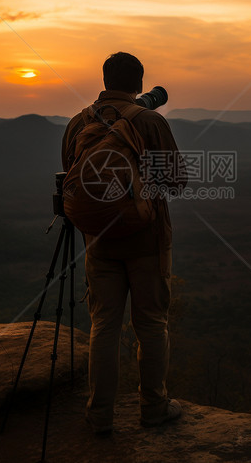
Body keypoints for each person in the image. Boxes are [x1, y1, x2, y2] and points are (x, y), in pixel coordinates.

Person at [61, 51, 187, 433]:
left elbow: (72, 178)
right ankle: (154, 408)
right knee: (150, 323)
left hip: (99, 240)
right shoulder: (150, 120)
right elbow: (177, 181)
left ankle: (99, 416)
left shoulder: (77, 123)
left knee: (104, 326)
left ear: (104, 80)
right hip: (147, 238)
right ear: (140, 84)